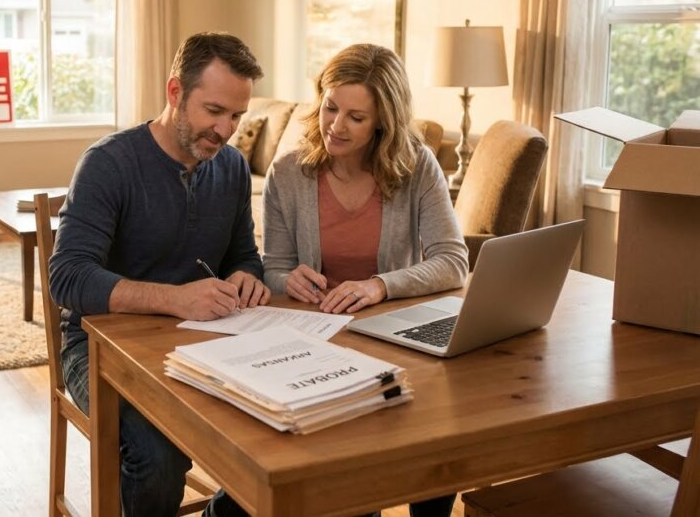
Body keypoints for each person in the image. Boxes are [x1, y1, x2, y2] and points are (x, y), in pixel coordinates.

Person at [49, 32, 270, 517]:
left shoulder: (231, 168)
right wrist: (176, 299)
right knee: (159, 454)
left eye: (236, 116)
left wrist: (247, 277)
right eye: (214, 111)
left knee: (276, 432)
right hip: (98, 351)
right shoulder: (108, 164)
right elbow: (67, 278)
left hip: (204, 342)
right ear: (175, 92)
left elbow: (243, 256)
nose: (226, 129)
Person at [262, 43, 469, 517]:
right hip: (315, 340)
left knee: (439, 447)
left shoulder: (416, 166)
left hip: (391, 334)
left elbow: (453, 260)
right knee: (347, 477)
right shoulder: (290, 171)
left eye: (356, 117)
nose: (335, 126)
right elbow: (272, 265)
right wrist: (287, 279)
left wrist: (379, 285)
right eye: (331, 108)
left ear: (383, 120)